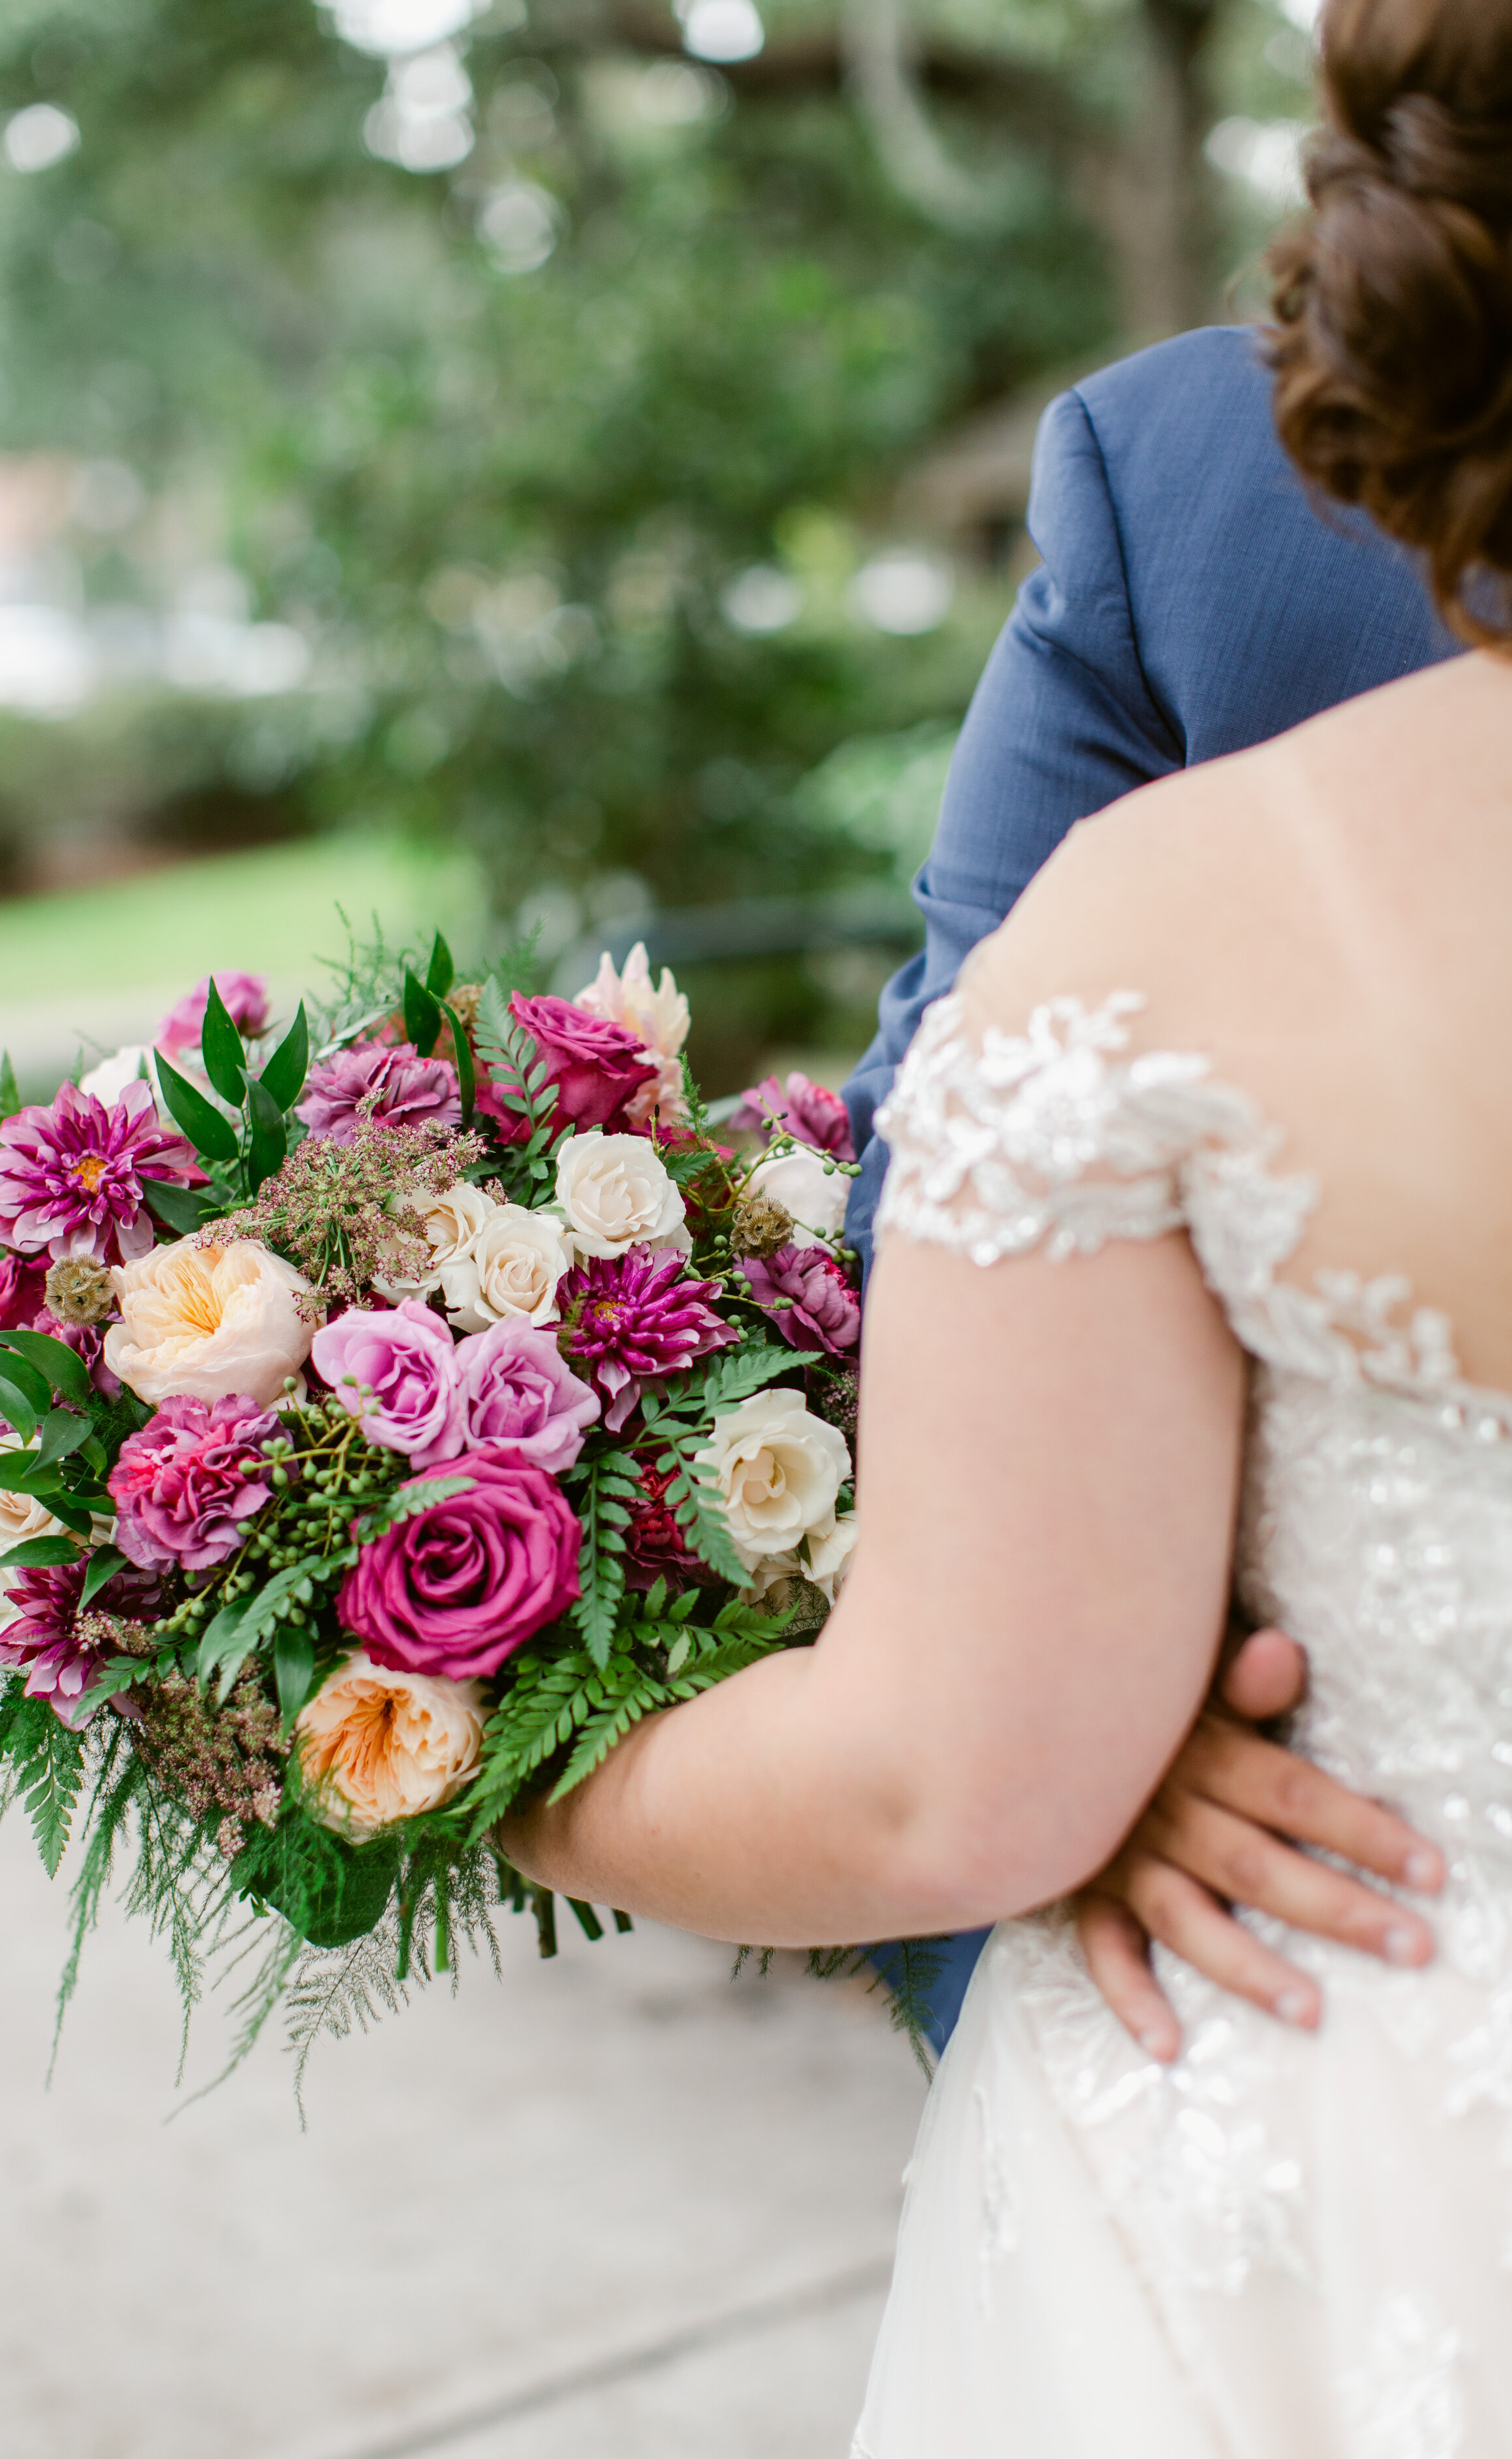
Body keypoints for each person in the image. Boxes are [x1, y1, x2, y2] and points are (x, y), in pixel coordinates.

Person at [502, 0, 1512, 2441]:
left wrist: (442, 1736)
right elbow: (904, 1215)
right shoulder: (1177, 491)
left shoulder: (1173, 918)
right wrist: (1094, 1669)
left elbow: (938, 1769)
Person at [842, 250, 1461, 2058]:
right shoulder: (1199, 477)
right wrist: (1086, 1705)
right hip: (1300, 1850)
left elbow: (957, 1161)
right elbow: (954, 1145)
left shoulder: (1205, 463)